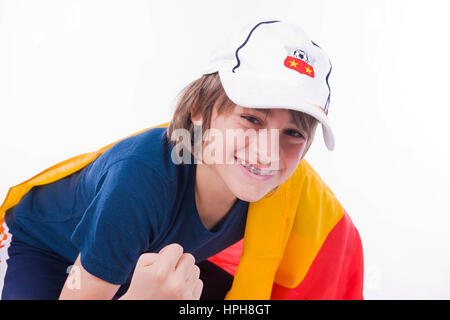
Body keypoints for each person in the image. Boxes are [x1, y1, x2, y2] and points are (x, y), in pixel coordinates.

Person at [0, 19, 363, 300]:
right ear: (198, 111)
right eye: (252, 119)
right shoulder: (138, 181)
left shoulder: (282, 185)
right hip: (57, 255)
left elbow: (333, 252)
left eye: (294, 133)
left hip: (147, 258)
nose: (268, 153)